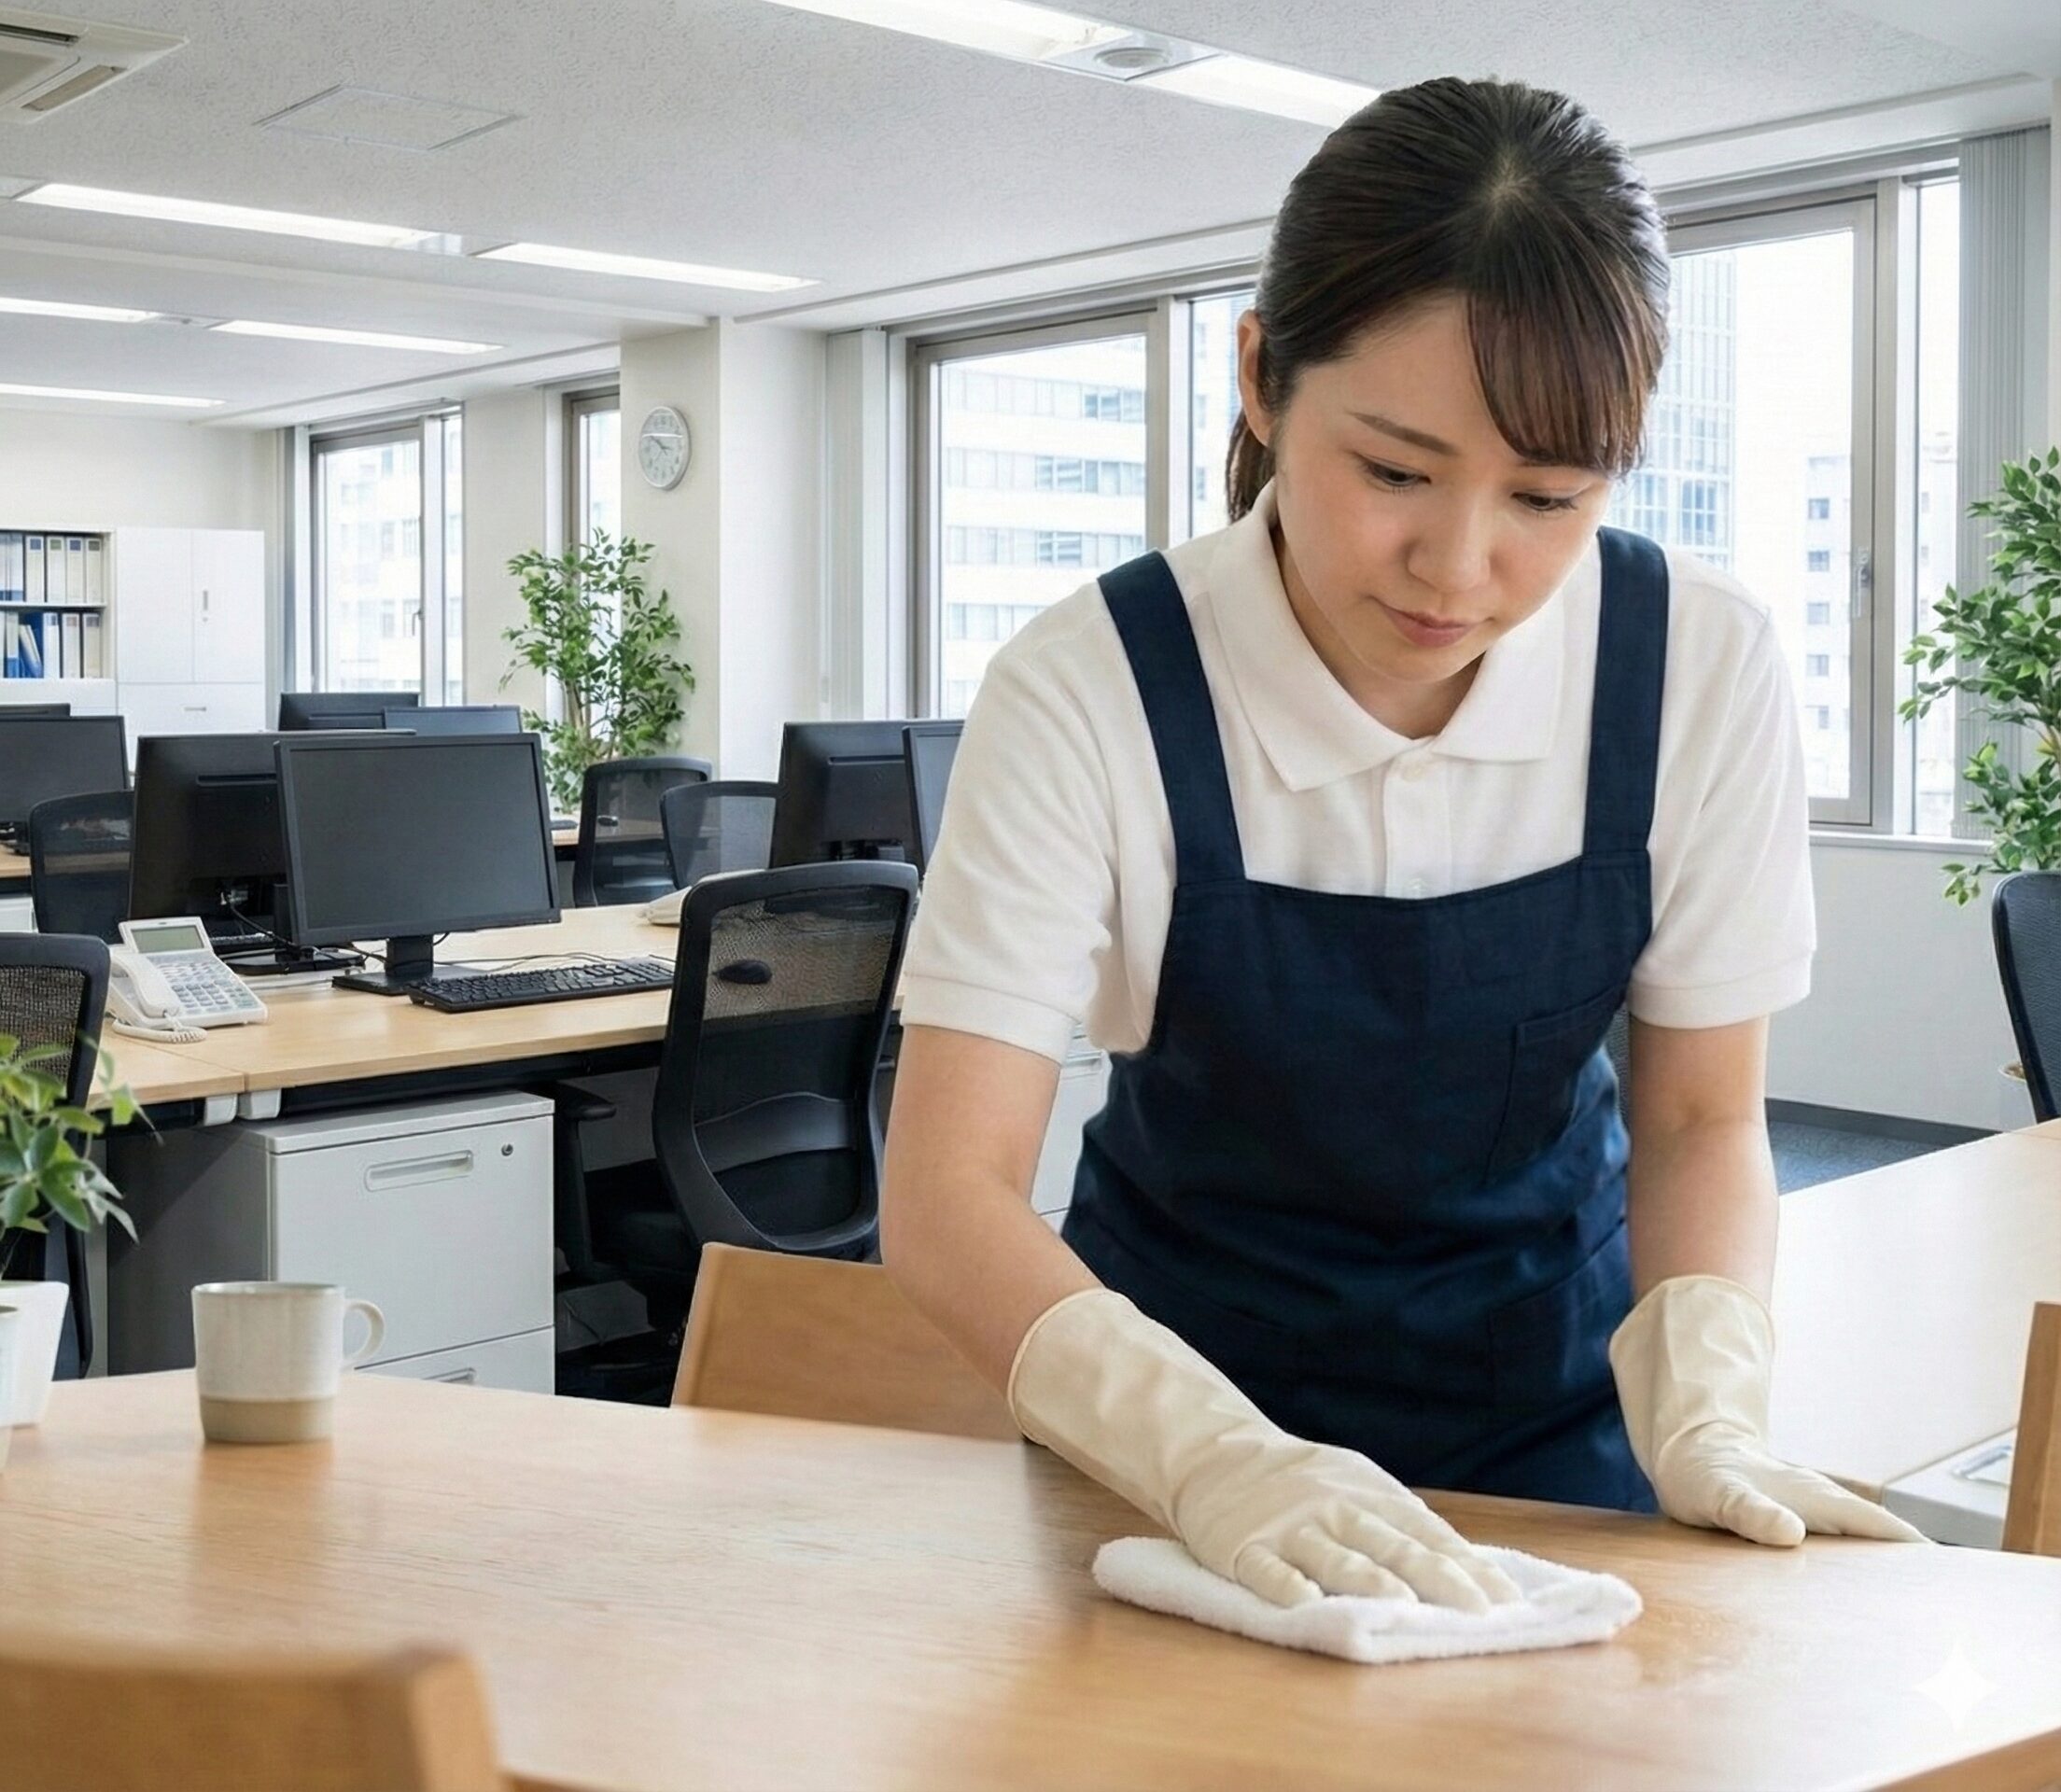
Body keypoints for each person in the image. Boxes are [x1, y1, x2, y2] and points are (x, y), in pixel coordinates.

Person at [883, 74, 1925, 1613]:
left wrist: (1708, 1398)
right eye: (1392, 472)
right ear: (1260, 378)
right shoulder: (1090, 684)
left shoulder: (1693, 663)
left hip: (1560, 1441)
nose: (1461, 566)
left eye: (1548, 496)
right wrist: (1212, 1459)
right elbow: (949, 1189)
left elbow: (1703, 1118)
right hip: (1169, 1463)